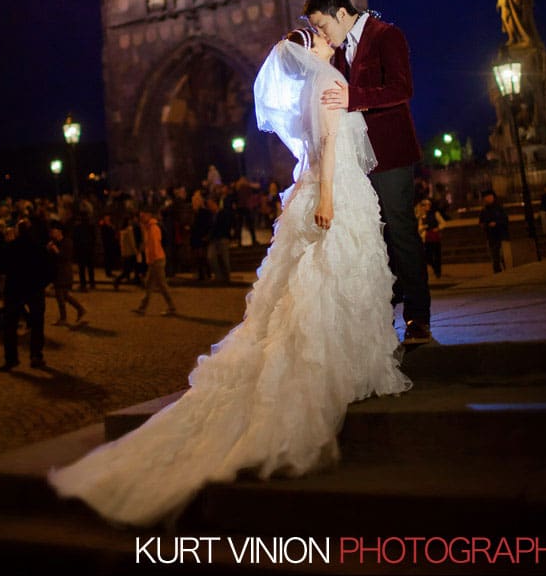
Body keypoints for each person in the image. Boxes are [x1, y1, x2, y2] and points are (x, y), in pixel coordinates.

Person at [49, 28, 410, 526]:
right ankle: (335, 367)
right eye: (323, 33)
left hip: (321, 188)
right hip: (333, 194)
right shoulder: (328, 79)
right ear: (313, 48)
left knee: (315, 285)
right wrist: (326, 196)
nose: (331, 37)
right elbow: (327, 144)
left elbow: (311, 147)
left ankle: (338, 358)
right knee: (327, 281)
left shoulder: (310, 87)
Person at [304, 0, 432, 344]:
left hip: (390, 154)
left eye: (323, 24)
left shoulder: (387, 35)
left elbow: (401, 89)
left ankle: (418, 316)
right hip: (357, 160)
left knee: (401, 230)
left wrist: (352, 98)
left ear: (341, 13)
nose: (323, 34)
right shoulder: (339, 51)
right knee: (371, 237)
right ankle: (380, 313)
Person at [0, 218, 53, 372]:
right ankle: (36, 355)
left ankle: (11, 358)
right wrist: (41, 284)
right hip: (34, 289)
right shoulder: (39, 247)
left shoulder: (11, 247)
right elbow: (49, 270)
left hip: (14, 289)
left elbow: (1, 268)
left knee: (10, 325)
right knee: (37, 324)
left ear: (18, 231)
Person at [135, 210, 177, 316]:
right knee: (150, 285)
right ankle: (142, 308)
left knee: (161, 285)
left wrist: (152, 260)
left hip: (156, 260)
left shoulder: (153, 228)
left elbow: (154, 245)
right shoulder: (148, 228)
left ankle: (171, 307)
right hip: (155, 260)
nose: (141, 218)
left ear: (149, 215)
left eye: (143, 216)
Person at [48, 221, 88, 324]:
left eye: (54, 232)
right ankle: (80, 309)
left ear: (59, 232)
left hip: (64, 273)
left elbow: (65, 257)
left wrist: (55, 249)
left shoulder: (67, 242)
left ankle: (64, 318)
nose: (52, 234)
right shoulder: (54, 243)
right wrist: (48, 249)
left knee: (60, 296)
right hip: (57, 273)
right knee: (64, 295)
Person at [478, 192, 508, 274]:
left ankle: (507, 270)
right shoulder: (484, 210)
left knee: (503, 256)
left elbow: (505, 220)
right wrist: (485, 225)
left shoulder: (499, 208)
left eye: (489, 197)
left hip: (501, 235)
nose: (488, 199)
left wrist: (496, 223)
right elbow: (481, 222)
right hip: (491, 236)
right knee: (495, 257)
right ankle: (497, 272)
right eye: (486, 197)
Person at [416, 198, 445, 279]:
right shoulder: (421, 215)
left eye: (428, 205)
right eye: (424, 205)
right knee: (427, 255)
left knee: (437, 254)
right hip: (426, 237)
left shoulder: (435, 214)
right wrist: (423, 227)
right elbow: (419, 227)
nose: (426, 207)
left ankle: (438, 271)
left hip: (434, 236)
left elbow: (443, 223)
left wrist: (438, 228)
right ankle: (435, 267)